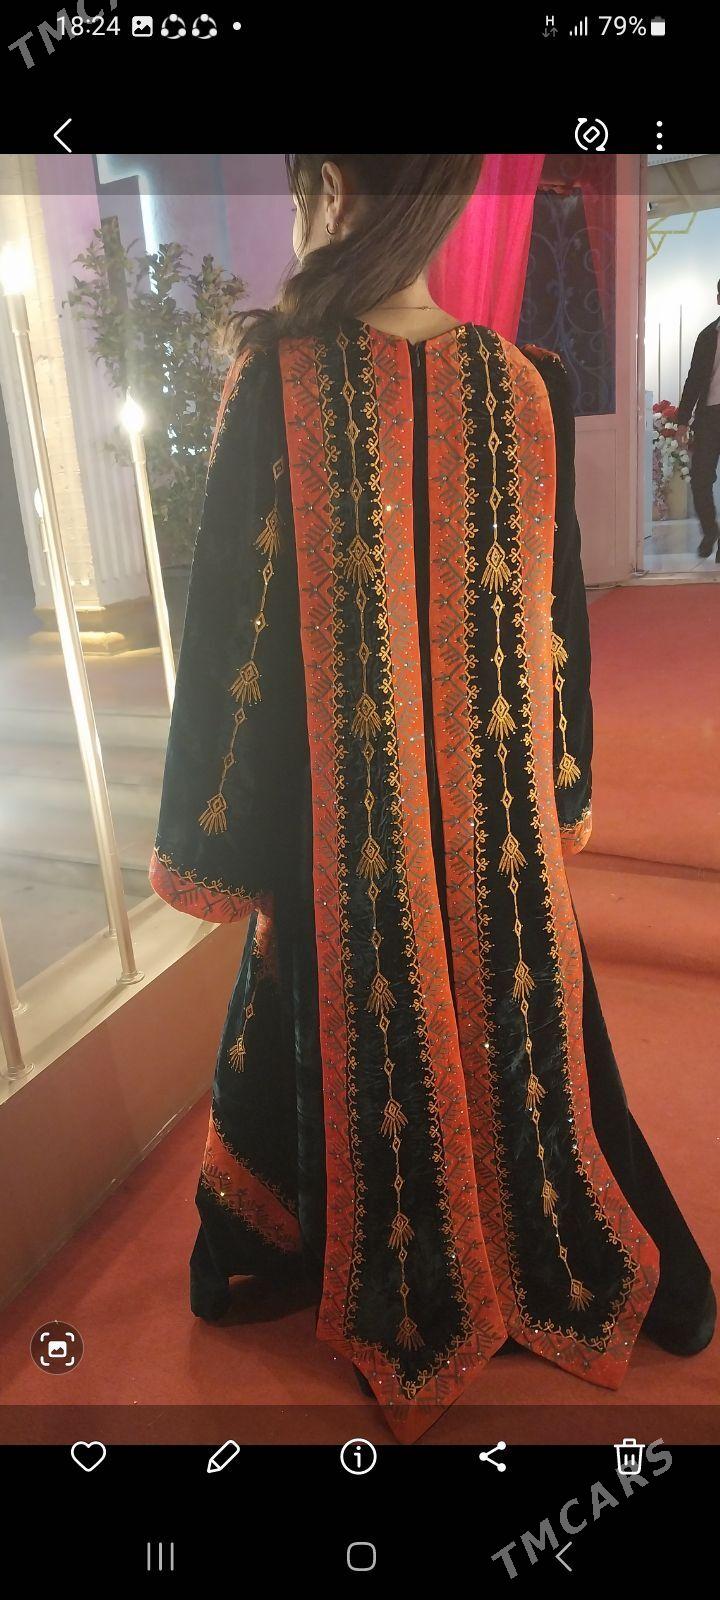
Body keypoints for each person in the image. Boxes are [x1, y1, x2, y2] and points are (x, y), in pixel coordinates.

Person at [149, 154, 715, 1443]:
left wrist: (219, 832)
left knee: (346, 1020)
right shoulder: (523, 386)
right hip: (501, 837)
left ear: (329, 185)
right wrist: (556, 788)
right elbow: (556, 631)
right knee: (534, 1041)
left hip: (351, 844)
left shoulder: (279, 379)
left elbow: (234, 639)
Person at [676, 280, 720, 559]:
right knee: (700, 479)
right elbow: (693, 380)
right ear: (718, 299)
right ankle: (710, 531)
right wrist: (682, 420)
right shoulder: (707, 337)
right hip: (709, 418)